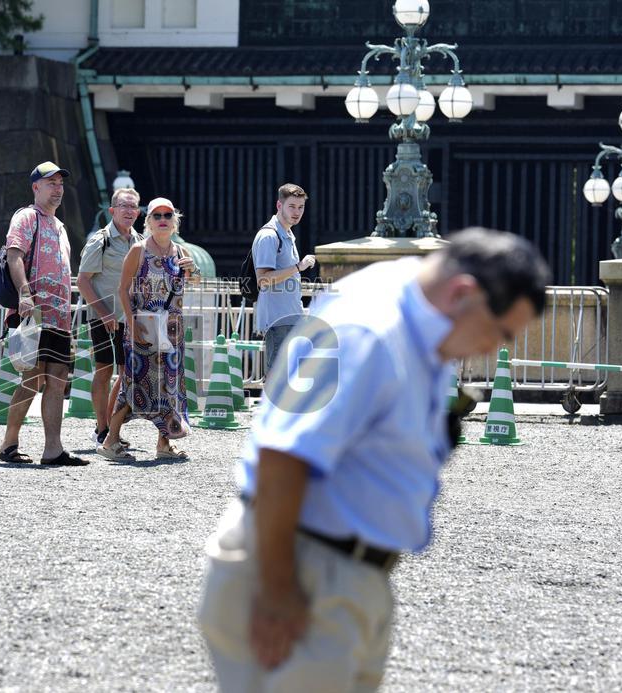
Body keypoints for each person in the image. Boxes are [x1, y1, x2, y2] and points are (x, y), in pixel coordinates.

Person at [198, 228, 551, 692]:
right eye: (501, 332)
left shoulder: (410, 304)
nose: (495, 348)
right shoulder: (368, 330)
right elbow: (282, 456)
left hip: (334, 571)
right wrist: (278, 590)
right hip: (304, 568)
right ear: (463, 293)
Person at [0, 161, 87, 467]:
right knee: (32, 377)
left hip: (59, 315)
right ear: (36, 187)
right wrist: (24, 293)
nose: (57, 189)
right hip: (34, 311)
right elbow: (14, 255)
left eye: (61, 184)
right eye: (51, 183)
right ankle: (9, 442)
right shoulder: (27, 217)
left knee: (58, 378)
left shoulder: (60, 227)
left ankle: (53, 448)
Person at [98, 197, 200, 462]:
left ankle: (164, 444)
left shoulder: (181, 253)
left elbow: (194, 284)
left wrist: (194, 271)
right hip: (142, 327)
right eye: (157, 216)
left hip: (171, 330)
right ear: (149, 222)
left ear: (175, 222)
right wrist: (131, 325)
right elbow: (123, 290)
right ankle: (110, 440)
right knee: (134, 385)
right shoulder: (139, 250)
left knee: (169, 386)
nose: (163, 219)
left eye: (168, 215)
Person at [76, 187, 143, 449]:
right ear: (112, 210)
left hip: (130, 319)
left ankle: (110, 424)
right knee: (104, 370)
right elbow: (83, 281)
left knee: (127, 374)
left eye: (133, 207)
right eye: (124, 206)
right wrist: (104, 313)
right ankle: (102, 428)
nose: (129, 211)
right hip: (104, 317)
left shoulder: (139, 240)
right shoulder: (100, 240)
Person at [251, 184, 316, 375]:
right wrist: (298, 267)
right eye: (292, 206)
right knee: (278, 380)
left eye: (301, 207)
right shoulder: (269, 236)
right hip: (278, 321)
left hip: (290, 318)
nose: (297, 212)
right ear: (279, 205)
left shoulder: (287, 234)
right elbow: (263, 280)